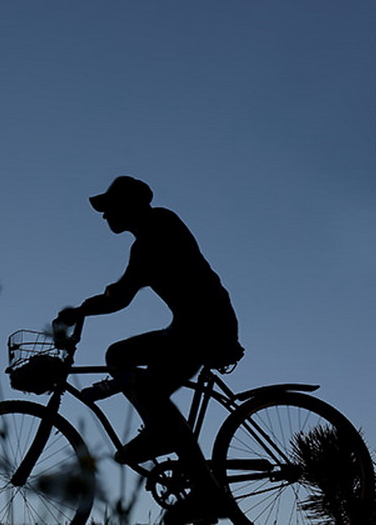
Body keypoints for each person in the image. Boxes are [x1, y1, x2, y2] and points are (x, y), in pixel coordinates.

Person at [56, 176, 243, 525]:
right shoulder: (148, 238)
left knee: (137, 377)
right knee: (129, 368)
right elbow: (122, 294)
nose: (104, 216)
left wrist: (84, 309)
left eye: (110, 208)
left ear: (130, 206)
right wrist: (86, 308)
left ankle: (205, 490)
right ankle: (167, 441)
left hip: (204, 326)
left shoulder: (159, 226)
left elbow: (121, 294)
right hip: (193, 326)